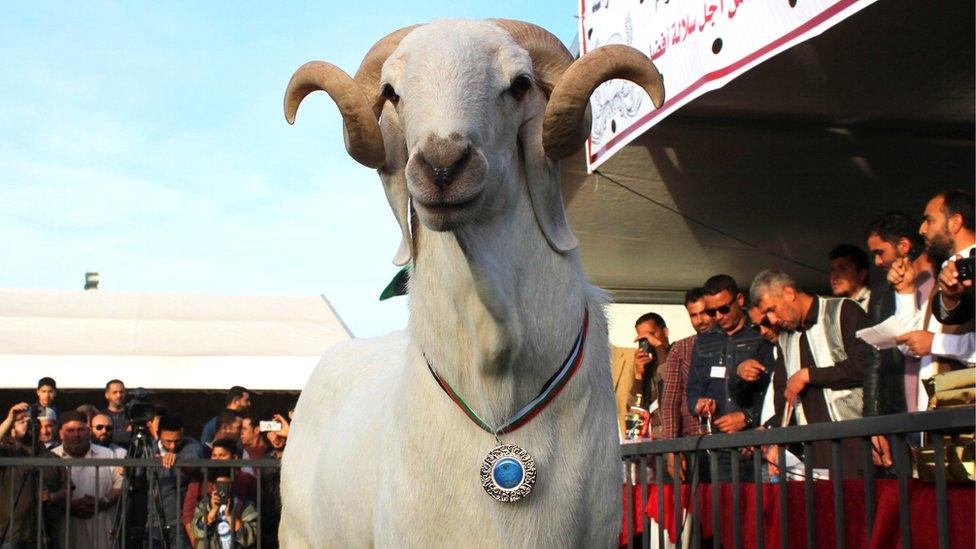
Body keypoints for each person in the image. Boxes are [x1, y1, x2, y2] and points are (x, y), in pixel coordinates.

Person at [751, 270, 874, 478]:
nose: (772, 319)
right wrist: (778, 445)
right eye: (767, 315)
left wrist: (809, 375)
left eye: (772, 309)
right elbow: (783, 398)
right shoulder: (784, 339)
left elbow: (865, 367)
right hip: (811, 451)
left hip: (854, 441)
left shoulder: (843, 311)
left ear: (789, 293)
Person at [891, 190, 976, 410]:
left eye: (929, 220)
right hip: (938, 419)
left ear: (955, 222)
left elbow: (929, 342)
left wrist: (935, 343)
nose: (922, 229)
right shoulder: (947, 272)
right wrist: (905, 291)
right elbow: (911, 344)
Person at [686, 275, 774, 481]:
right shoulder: (703, 342)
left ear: (740, 300)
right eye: (711, 311)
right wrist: (698, 404)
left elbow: (775, 385)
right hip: (720, 446)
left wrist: (748, 417)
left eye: (724, 309)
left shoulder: (761, 332)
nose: (718, 315)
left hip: (757, 443)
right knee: (727, 509)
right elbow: (693, 389)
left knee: (765, 509)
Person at [659, 287, 714, 480]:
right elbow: (670, 401)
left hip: (728, 439)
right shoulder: (681, 349)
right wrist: (672, 449)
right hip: (692, 443)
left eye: (704, 313)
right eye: (694, 315)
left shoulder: (730, 342)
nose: (700, 320)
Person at [50, 411, 123, 549]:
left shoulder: (107, 454)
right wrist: (67, 507)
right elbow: (46, 492)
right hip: (66, 532)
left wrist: (103, 501)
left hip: (102, 531)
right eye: (70, 430)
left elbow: (121, 484)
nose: (76, 435)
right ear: (61, 433)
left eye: (80, 430)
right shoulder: (52, 457)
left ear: (88, 431)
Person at [0, 405, 68, 548]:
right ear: (12, 429)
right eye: (22, 422)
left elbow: (67, 489)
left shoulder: (52, 458)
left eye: (32, 423)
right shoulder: (7, 453)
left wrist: (52, 497)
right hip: (12, 532)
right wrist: (10, 419)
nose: (28, 425)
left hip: (45, 532)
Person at [181, 438, 256, 546]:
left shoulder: (247, 482)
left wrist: (231, 516)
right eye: (214, 455)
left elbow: (252, 530)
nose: (217, 460)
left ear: (234, 458)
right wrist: (196, 543)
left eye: (221, 455)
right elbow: (189, 514)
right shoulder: (201, 483)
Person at [154, 414, 205, 546]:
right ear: (158, 434)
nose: (172, 446)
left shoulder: (192, 445)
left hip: (180, 522)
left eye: (177, 441)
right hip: (153, 522)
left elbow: (193, 465)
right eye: (168, 441)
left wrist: (178, 461)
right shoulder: (148, 448)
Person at [189, 468, 259, 548]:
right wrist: (212, 513)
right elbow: (196, 531)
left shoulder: (244, 505)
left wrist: (230, 517)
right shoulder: (204, 504)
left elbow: (251, 537)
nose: (223, 489)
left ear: (232, 484)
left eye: (226, 484)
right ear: (213, 485)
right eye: (219, 485)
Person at [828, 243, 871, 308]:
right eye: (832, 270)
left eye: (842, 269)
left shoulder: (876, 302)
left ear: (862, 274)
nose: (834, 276)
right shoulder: (834, 307)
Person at [100, 379, 131, 447]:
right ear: (107, 395)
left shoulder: (133, 414)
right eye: (115, 392)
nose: (119, 395)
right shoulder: (100, 416)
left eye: (121, 392)